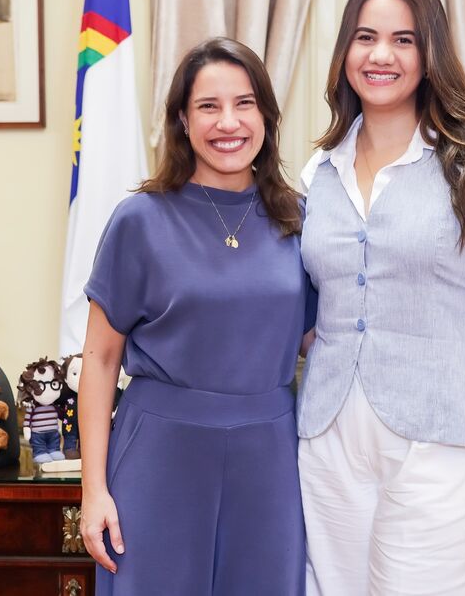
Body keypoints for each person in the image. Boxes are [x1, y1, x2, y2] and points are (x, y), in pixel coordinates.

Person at [297, 0, 465, 595]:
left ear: (430, 51)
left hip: (442, 447)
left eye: (403, 39)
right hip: (327, 445)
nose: (381, 55)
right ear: (344, 52)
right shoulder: (314, 173)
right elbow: (307, 312)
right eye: (365, 37)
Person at [79, 37, 314, 595]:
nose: (227, 122)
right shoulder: (139, 220)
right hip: (158, 457)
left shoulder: (302, 221)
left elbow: (321, 343)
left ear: (266, 117)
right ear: (183, 119)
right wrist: (93, 490)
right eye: (208, 106)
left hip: (271, 461)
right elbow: (99, 358)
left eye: (245, 103)